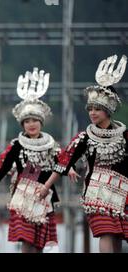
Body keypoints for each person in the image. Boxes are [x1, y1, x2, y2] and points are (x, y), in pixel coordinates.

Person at [41, 54, 127, 253]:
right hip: (97, 192)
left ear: (108, 110)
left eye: (98, 109)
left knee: (117, 236)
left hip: (123, 193)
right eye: (90, 108)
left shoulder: (124, 136)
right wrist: (46, 186)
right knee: (105, 232)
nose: (93, 113)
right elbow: (64, 161)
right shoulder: (85, 137)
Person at [0, 68, 77, 253]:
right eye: (27, 121)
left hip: (44, 197)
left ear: (41, 122)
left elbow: (62, 160)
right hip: (23, 196)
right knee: (26, 241)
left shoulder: (50, 144)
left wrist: (69, 169)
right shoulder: (16, 145)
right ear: (22, 124)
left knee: (38, 245)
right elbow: (2, 167)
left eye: (35, 120)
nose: (31, 124)